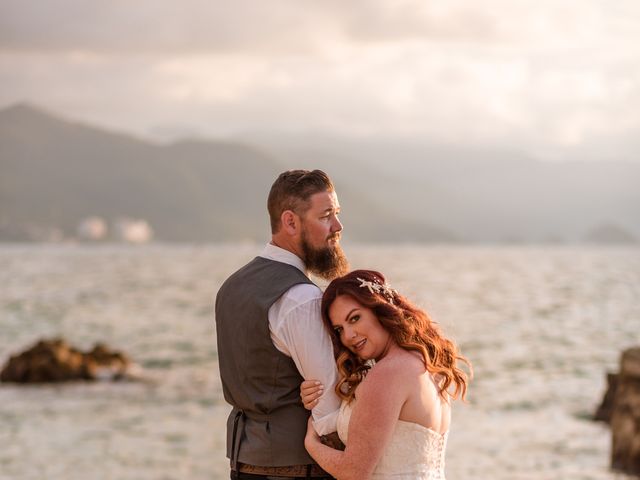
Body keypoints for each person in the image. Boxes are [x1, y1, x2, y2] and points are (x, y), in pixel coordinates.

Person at [215, 169, 349, 480]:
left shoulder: (230, 287)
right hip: (299, 468)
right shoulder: (301, 298)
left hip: (243, 464)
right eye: (326, 215)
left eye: (337, 214)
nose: (338, 227)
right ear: (290, 222)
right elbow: (328, 406)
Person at [300, 270, 471, 480]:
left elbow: (353, 472)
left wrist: (311, 444)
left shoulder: (387, 374)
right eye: (339, 330)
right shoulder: (425, 364)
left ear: (380, 309)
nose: (348, 336)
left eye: (354, 318)